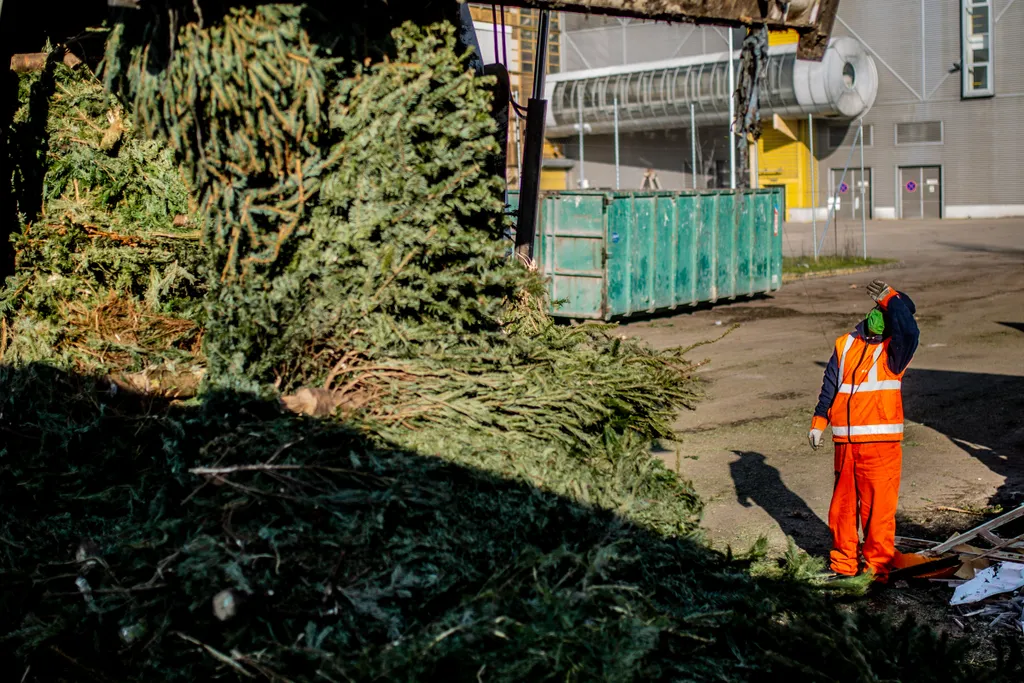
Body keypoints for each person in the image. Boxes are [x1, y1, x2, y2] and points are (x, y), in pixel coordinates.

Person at [808, 280, 920, 581]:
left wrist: (891, 298)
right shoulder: (846, 344)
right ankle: (844, 565)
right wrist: (820, 419)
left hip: (880, 446)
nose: (877, 315)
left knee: (877, 513)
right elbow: (831, 382)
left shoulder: (896, 350)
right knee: (842, 511)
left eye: (885, 311)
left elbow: (909, 330)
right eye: (877, 307)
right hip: (845, 442)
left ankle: (876, 570)